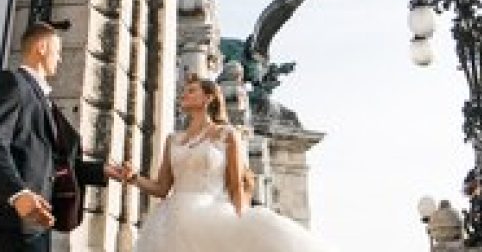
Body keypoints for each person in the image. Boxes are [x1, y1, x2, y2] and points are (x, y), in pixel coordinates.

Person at [106, 76, 336, 252]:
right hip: (171, 221)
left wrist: (242, 222)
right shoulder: (173, 139)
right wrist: (133, 178)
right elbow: (161, 188)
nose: (183, 94)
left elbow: (236, 185)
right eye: (184, 91)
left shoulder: (226, 134)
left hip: (210, 215)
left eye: (191, 91)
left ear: (208, 97)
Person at [0, 21, 110, 252]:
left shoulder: (45, 101)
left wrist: (102, 171)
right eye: (58, 52)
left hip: (35, 218)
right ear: (42, 48)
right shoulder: (11, 83)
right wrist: (17, 194)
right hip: (12, 215)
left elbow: (55, 162)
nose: (60, 59)